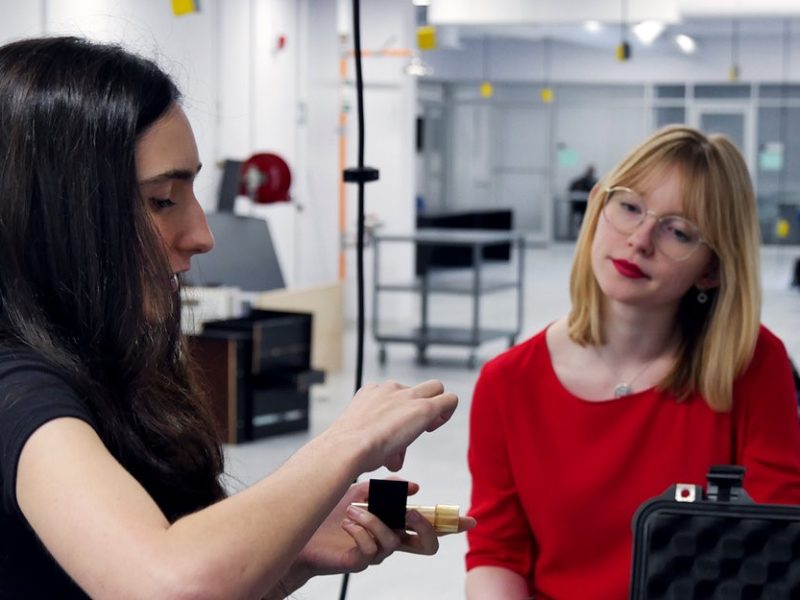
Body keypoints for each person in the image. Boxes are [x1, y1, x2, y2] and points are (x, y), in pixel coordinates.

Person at [0, 36, 474, 599]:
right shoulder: (17, 390)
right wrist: (347, 440)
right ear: (56, 214)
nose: (203, 236)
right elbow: (164, 586)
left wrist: (289, 551)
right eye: (161, 200)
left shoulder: (114, 368)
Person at [465, 125, 800, 599]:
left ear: (711, 269)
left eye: (678, 231)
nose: (640, 240)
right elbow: (497, 555)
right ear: (599, 206)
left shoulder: (751, 366)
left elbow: (777, 549)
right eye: (629, 207)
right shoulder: (507, 384)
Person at [567, 165, 597, 237]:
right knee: (581, 221)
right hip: (580, 207)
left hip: (586, 207)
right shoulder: (579, 182)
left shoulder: (594, 182)